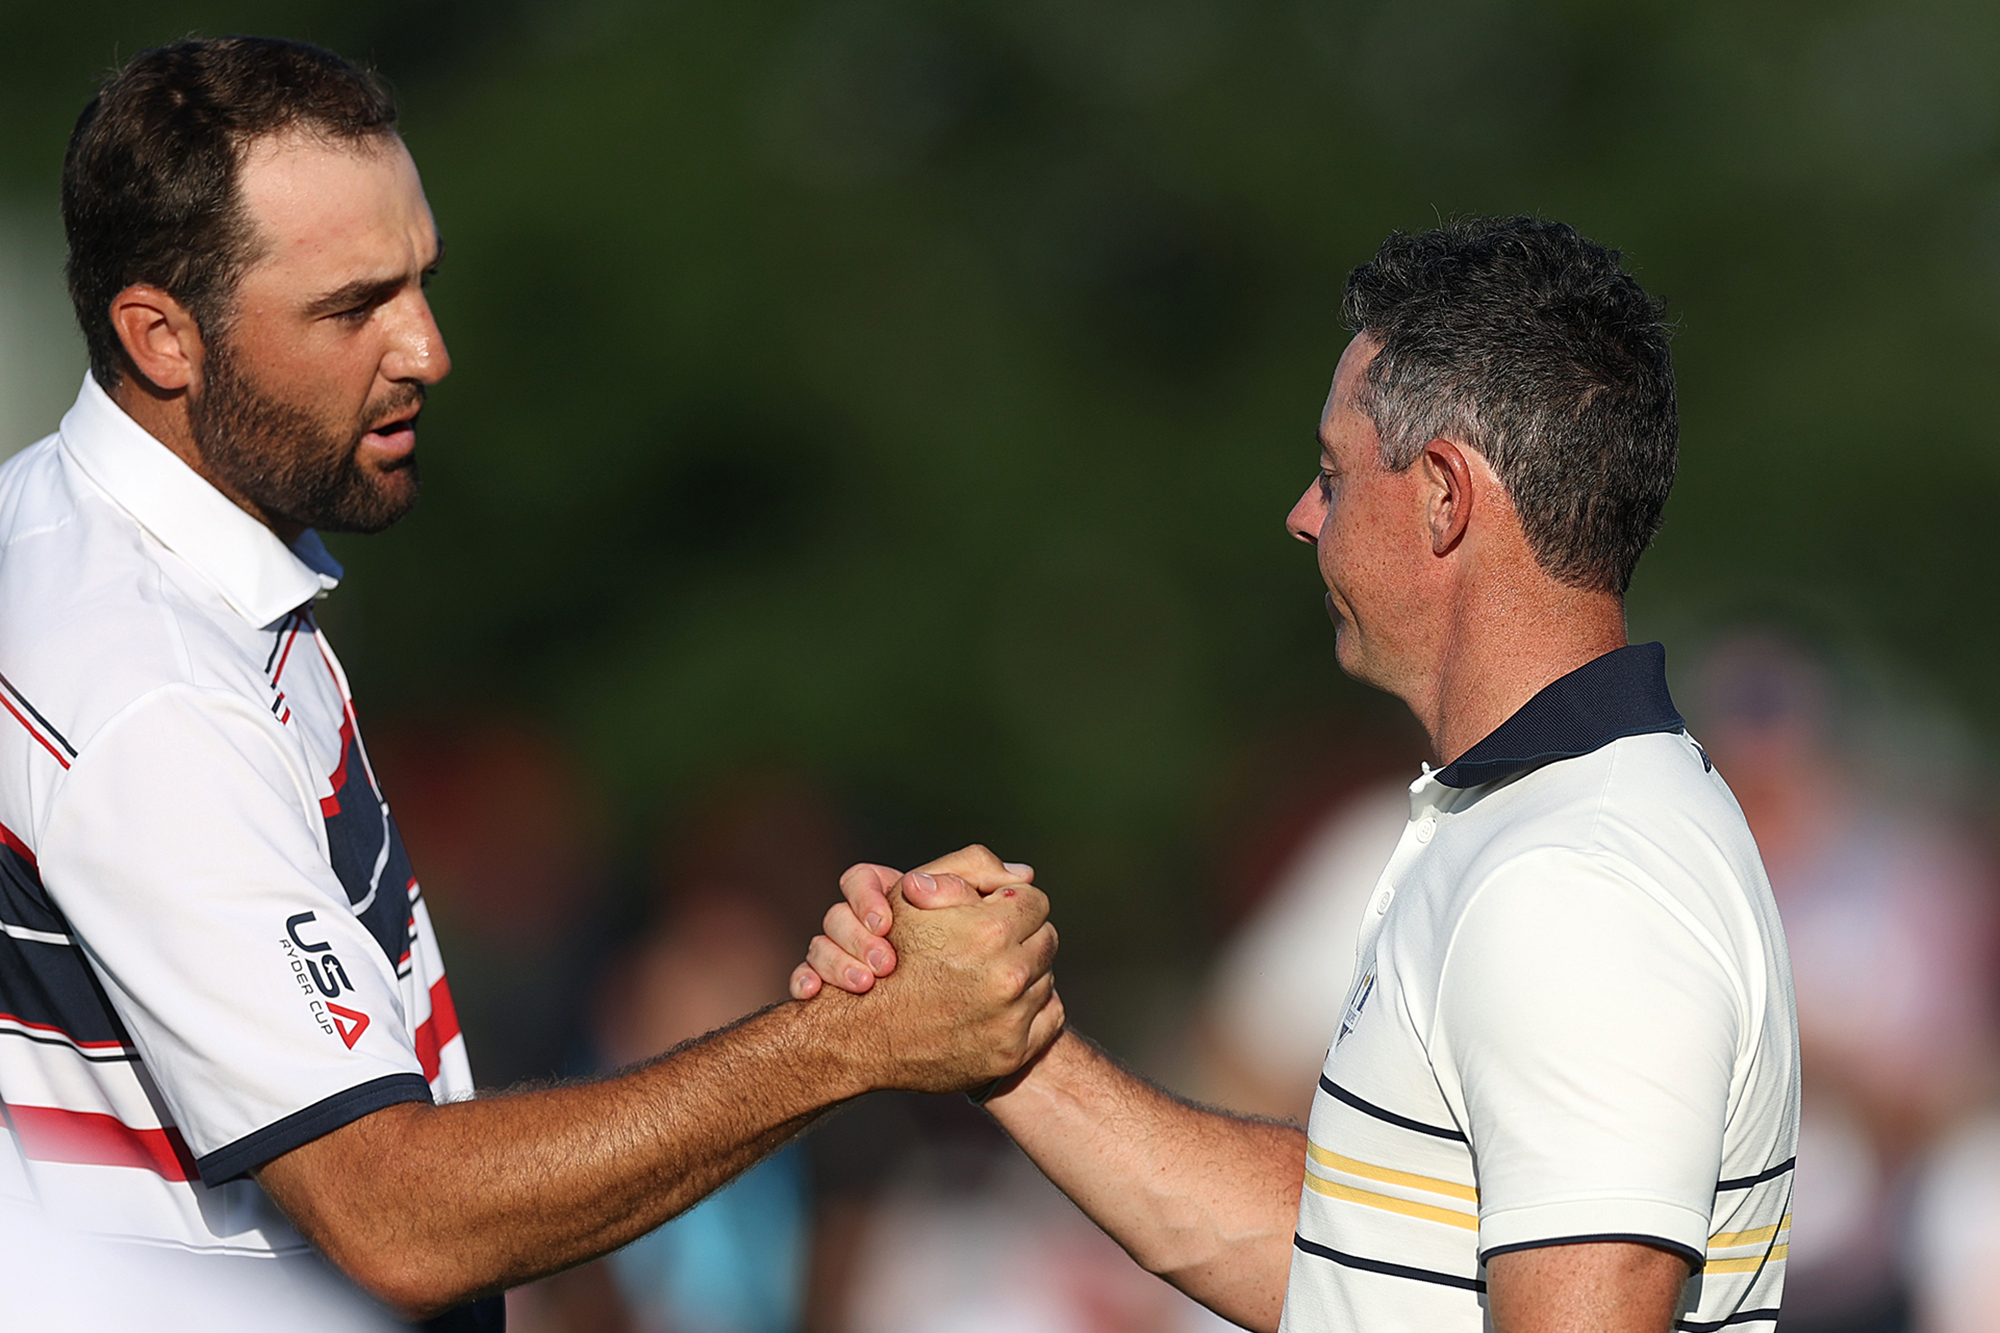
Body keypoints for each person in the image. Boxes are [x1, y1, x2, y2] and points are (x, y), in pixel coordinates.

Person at [0, 36, 1060, 1329]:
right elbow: (396, 1212)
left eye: (420, 284)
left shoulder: (113, 556)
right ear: (161, 336)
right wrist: (850, 1041)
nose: (428, 351)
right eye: (353, 307)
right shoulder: (144, 686)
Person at [797, 218, 1802, 1333]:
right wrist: (995, 1040)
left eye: (1331, 472)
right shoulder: (1532, 822)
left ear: (1441, 495)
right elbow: (1350, 1260)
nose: (1301, 513)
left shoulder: (1575, 883)